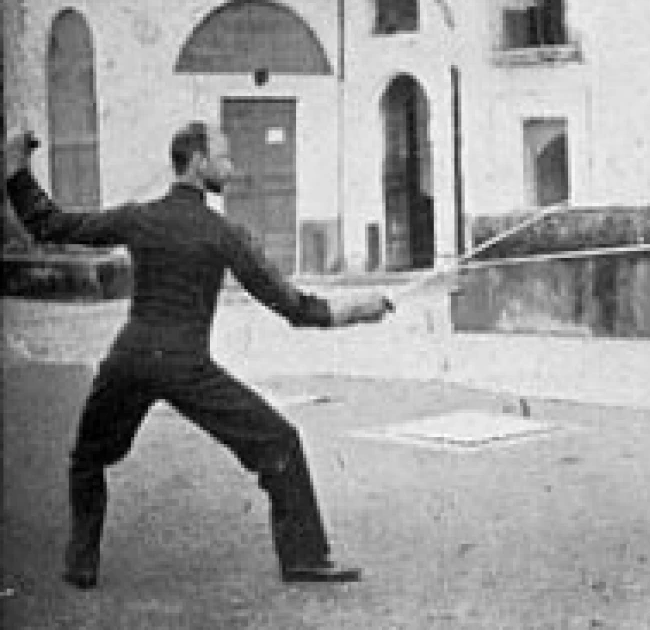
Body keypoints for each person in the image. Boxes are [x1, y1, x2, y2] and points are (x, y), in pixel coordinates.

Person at [3, 121, 394, 588]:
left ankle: (81, 564)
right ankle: (304, 558)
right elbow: (291, 306)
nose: (232, 167)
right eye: (224, 158)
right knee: (279, 442)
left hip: (129, 358)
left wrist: (17, 172)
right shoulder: (222, 233)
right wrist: (360, 309)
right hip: (185, 365)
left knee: (88, 457)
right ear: (198, 162)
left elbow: (49, 224)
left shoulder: (140, 217)